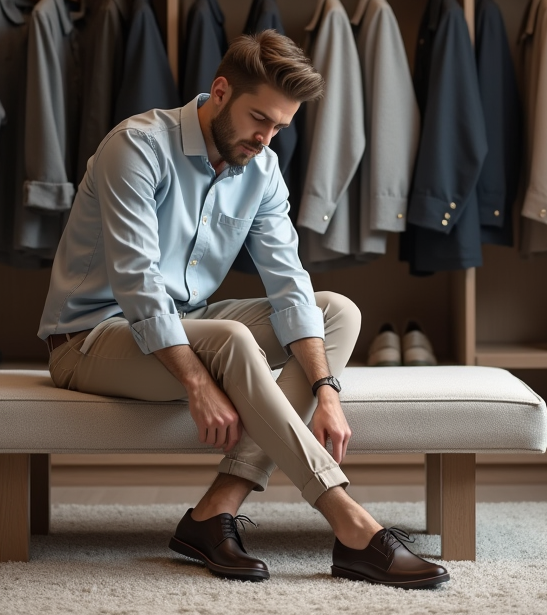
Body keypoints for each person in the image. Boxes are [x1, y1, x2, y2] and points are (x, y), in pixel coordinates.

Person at [38, 30, 449, 588]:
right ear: (221, 90)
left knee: (337, 313)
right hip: (90, 339)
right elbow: (137, 283)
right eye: (260, 118)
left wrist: (326, 390)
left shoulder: (263, 168)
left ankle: (215, 511)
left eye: (281, 126)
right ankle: (352, 525)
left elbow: (288, 283)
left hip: (190, 321)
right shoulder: (136, 146)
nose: (267, 136)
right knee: (230, 336)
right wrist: (196, 382)